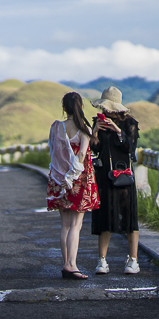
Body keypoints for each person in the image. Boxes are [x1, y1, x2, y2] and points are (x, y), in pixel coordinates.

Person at [47, 91, 101, 280]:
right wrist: (72, 178)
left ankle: (66, 264)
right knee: (76, 225)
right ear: (81, 107)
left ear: (64, 107)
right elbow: (82, 155)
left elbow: (54, 153)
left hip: (58, 178)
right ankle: (72, 265)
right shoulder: (82, 128)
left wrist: (62, 178)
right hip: (79, 179)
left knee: (65, 225)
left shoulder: (56, 127)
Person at [89, 86, 141, 275]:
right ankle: (102, 260)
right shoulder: (99, 122)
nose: (107, 111)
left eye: (110, 108)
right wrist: (94, 132)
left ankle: (133, 260)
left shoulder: (130, 123)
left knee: (129, 217)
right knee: (104, 217)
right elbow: (95, 149)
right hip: (104, 175)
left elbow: (131, 148)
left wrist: (118, 130)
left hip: (124, 175)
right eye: (105, 108)